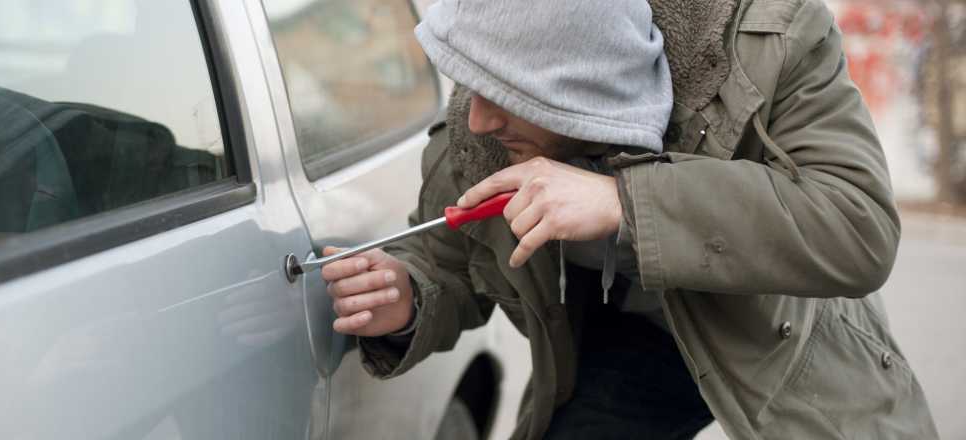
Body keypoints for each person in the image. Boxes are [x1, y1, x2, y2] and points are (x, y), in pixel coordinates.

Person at [322, 0, 939, 439]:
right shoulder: (479, 134)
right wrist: (408, 297)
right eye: (471, 85)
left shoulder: (774, 43)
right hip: (626, 346)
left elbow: (857, 226)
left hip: (778, 328)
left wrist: (624, 203)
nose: (478, 119)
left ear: (580, 87)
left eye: (504, 94)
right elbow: (448, 259)